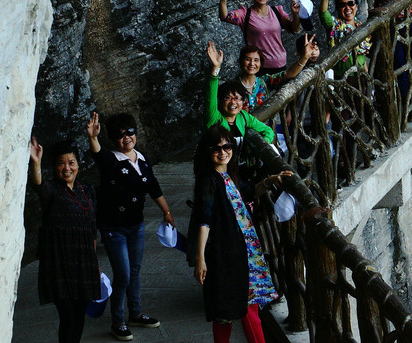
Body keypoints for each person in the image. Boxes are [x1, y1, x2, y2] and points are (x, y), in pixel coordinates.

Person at [190, 125, 290, 343]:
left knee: (226, 312)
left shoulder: (227, 175)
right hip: (230, 254)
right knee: (244, 308)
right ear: (208, 151)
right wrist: (200, 258)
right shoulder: (209, 180)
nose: (223, 152)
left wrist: (271, 180)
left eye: (227, 147)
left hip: (243, 250)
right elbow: (204, 220)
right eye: (216, 148)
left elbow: (247, 191)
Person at [86, 112, 175, 341]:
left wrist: (166, 212)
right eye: (120, 134)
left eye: (130, 132)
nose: (126, 137)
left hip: (136, 226)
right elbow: (98, 155)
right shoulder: (111, 160)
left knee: (134, 271)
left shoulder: (141, 159)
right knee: (123, 274)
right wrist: (93, 138)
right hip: (113, 228)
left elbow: (153, 187)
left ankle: (135, 313)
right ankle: (118, 321)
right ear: (112, 139)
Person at [29, 137, 100, 343]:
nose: (67, 168)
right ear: (55, 167)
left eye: (71, 162)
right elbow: (38, 184)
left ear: (78, 165)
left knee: (79, 315)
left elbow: (92, 230)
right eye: (61, 163)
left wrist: (94, 262)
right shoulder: (52, 190)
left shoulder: (87, 191)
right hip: (59, 263)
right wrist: (36, 163)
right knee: (68, 316)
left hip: (84, 263)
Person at [219, 0, 301, 75]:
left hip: (280, 64)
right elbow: (225, 16)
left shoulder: (277, 11)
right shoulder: (245, 14)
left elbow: (295, 29)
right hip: (257, 67)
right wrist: (223, 0)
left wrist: (296, 15)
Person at [205, 42, 277, 144]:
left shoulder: (243, 116)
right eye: (228, 98)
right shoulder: (215, 118)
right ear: (220, 101)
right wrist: (216, 68)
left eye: (237, 98)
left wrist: (262, 146)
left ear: (243, 101)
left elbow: (268, 130)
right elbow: (210, 95)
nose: (233, 102)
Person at [233, 37, 316, 113]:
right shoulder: (233, 87)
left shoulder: (264, 81)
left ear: (260, 63)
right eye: (248, 59)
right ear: (241, 62)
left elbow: (289, 74)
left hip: (263, 125)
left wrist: (305, 57)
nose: (252, 63)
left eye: (256, 60)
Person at [320, 0, 370, 76]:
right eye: (343, 5)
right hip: (343, 77)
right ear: (338, 9)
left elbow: (362, 55)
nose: (347, 8)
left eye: (351, 3)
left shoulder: (360, 27)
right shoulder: (335, 26)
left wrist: (367, 74)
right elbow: (323, 14)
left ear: (356, 6)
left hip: (361, 75)